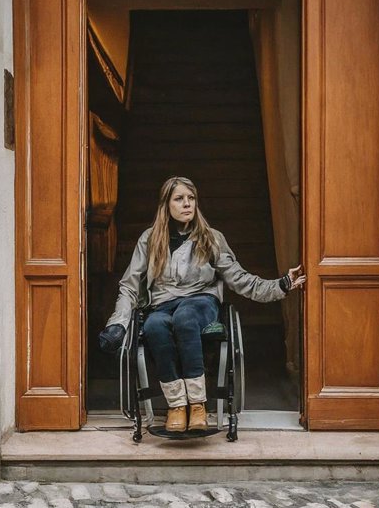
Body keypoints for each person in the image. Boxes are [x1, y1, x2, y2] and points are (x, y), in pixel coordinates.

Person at [99, 176, 306, 432]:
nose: (187, 204)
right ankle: (177, 405)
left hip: (201, 302)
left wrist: (282, 284)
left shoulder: (211, 238)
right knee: (154, 325)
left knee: (185, 316)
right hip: (163, 304)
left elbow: (240, 279)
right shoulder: (149, 240)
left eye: (191, 198)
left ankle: (197, 405)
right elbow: (130, 286)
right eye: (179, 199)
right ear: (166, 205)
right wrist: (118, 323)